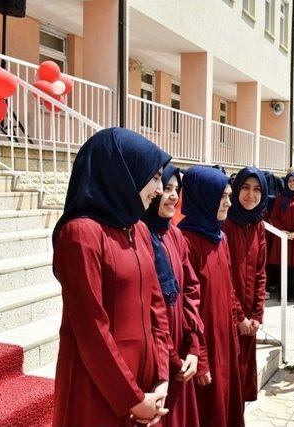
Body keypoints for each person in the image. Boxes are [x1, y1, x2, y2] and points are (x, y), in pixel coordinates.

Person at [52, 128, 172, 426]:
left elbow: (156, 306)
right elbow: (91, 326)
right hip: (99, 387)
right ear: (122, 173)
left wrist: (161, 376)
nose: (159, 189)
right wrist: (130, 398)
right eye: (155, 177)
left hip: (145, 386)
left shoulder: (139, 228)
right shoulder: (80, 234)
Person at [178, 166, 245, 427]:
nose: (229, 202)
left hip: (224, 339)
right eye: (223, 196)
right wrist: (201, 357)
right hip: (203, 344)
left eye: (229, 195)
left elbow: (228, 290)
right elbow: (187, 306)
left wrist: (236, 325)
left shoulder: (220, 236)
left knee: (227, 406)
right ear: (203, 196)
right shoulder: (185, 241)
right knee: (207, 410)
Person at [141, 165, 204, 427]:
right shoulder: (138, 235)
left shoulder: (175, 235)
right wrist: (172, 357)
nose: (173, 196)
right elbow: (148, 307)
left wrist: (193, 347)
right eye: (166, 189)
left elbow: (191, 290)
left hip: (181, 351)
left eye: (176, 190)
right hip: (155, 356)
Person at [222, 167, 268, 402]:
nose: (251, 195)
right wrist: (239, 317)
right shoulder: (224, 224)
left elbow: (260, 272)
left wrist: (257, 314)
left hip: (250, 317)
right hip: (228, 315)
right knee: (227, 378)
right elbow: (224, 277)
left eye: (257, 189)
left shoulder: (258, 225)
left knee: (242, 380)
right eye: (245, 188)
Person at [268, 171, 294, 302]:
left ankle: (293, 294)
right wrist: (283, 231)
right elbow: (275, 216)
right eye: (290, 181)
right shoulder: (280, 197)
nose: (292, 183)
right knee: (282, 266)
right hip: (283, 236)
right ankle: (282, 294)